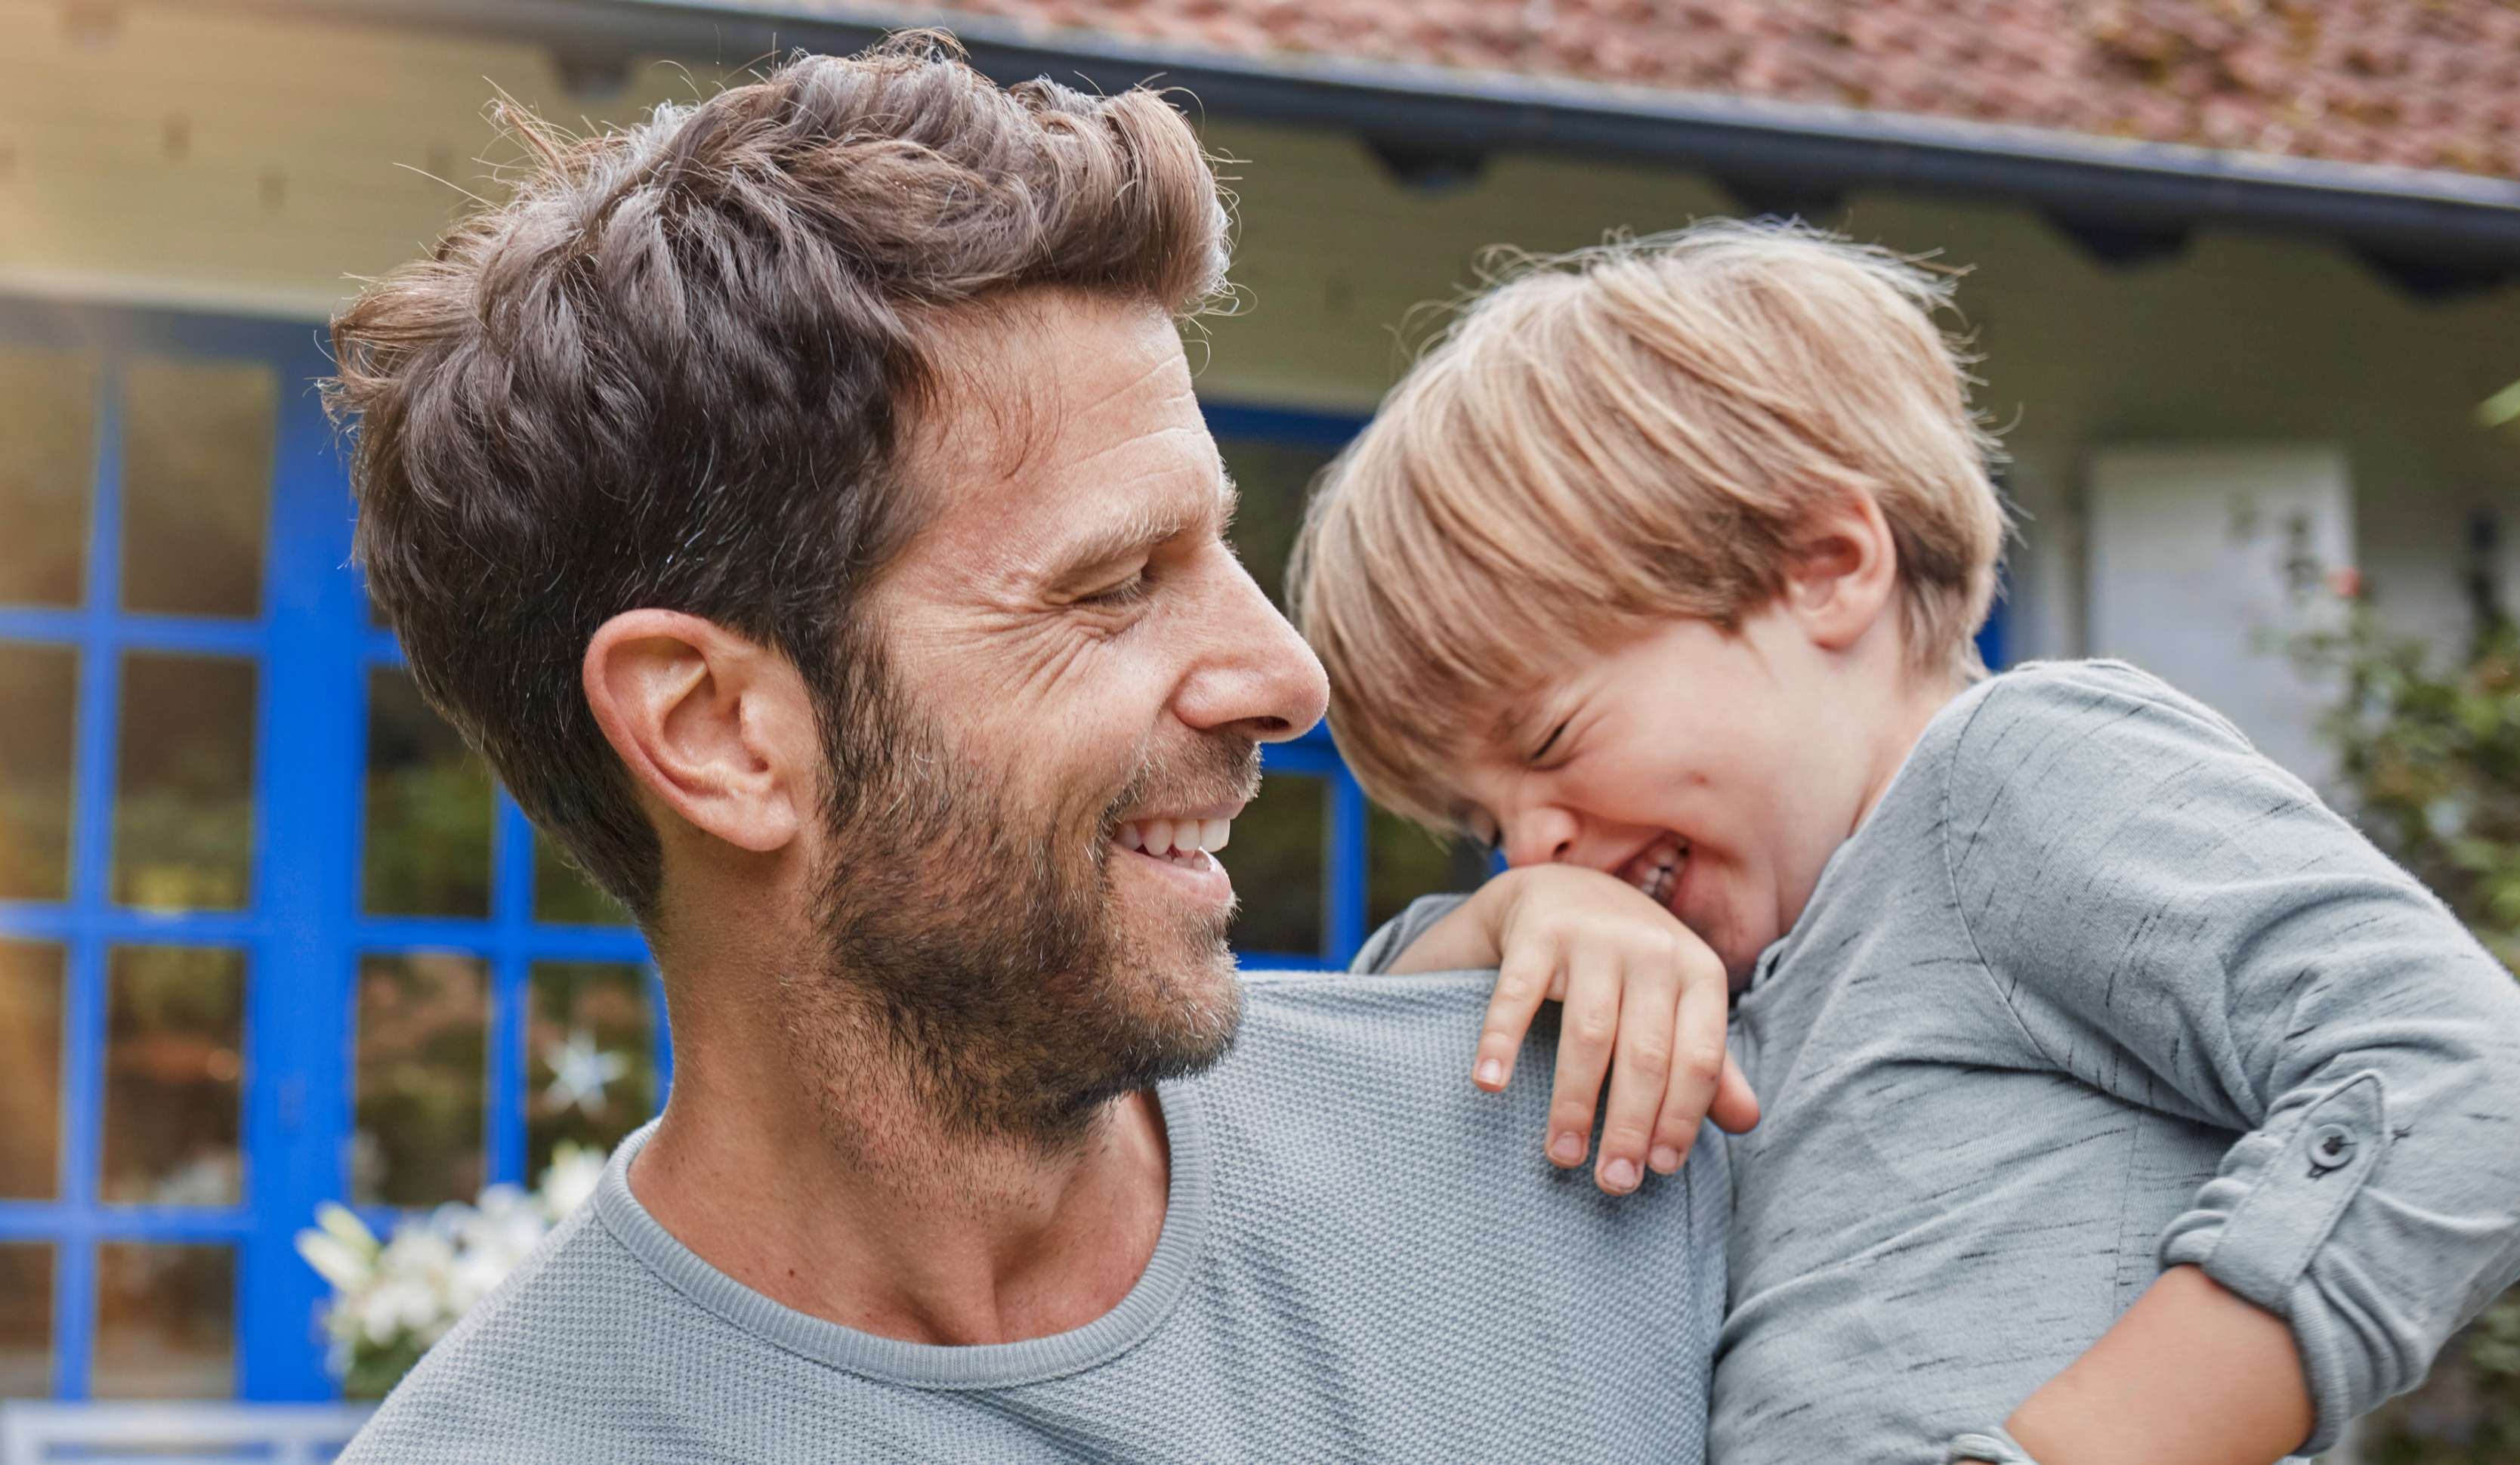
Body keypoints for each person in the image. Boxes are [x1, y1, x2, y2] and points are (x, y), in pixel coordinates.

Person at [323, 36, 1736, 1464]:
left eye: (1220, 548)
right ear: (718, 732)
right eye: (1114, 582)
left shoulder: (1602, 1136)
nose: (1287, 679)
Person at [1289, 221, 2520, 1465]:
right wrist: (1499, 926)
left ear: (1827, 570)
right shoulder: (1714, 985)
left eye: (1553, 737)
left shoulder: (2007, 778)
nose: (1531, 844)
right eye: (1483, 826)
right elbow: (1345, 1124)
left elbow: (2467, 1077)